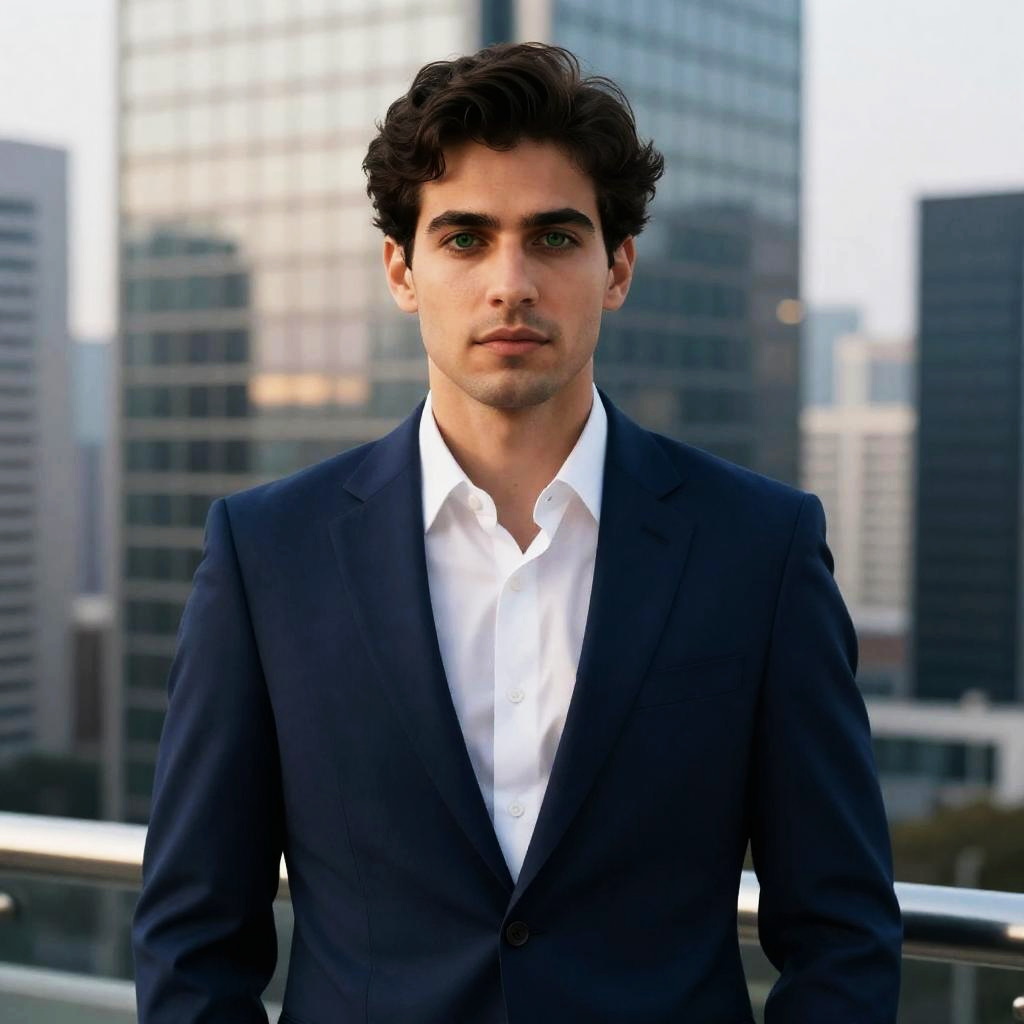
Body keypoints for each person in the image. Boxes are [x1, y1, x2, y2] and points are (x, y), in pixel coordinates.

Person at [132, 42, 902, 1024]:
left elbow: (840, 931)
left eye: (553, 238)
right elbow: (192, 940)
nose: (510, 283)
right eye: (462, 238)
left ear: (616, 267)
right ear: (400, 271)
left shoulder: (759, 546)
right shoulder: (267, 553)